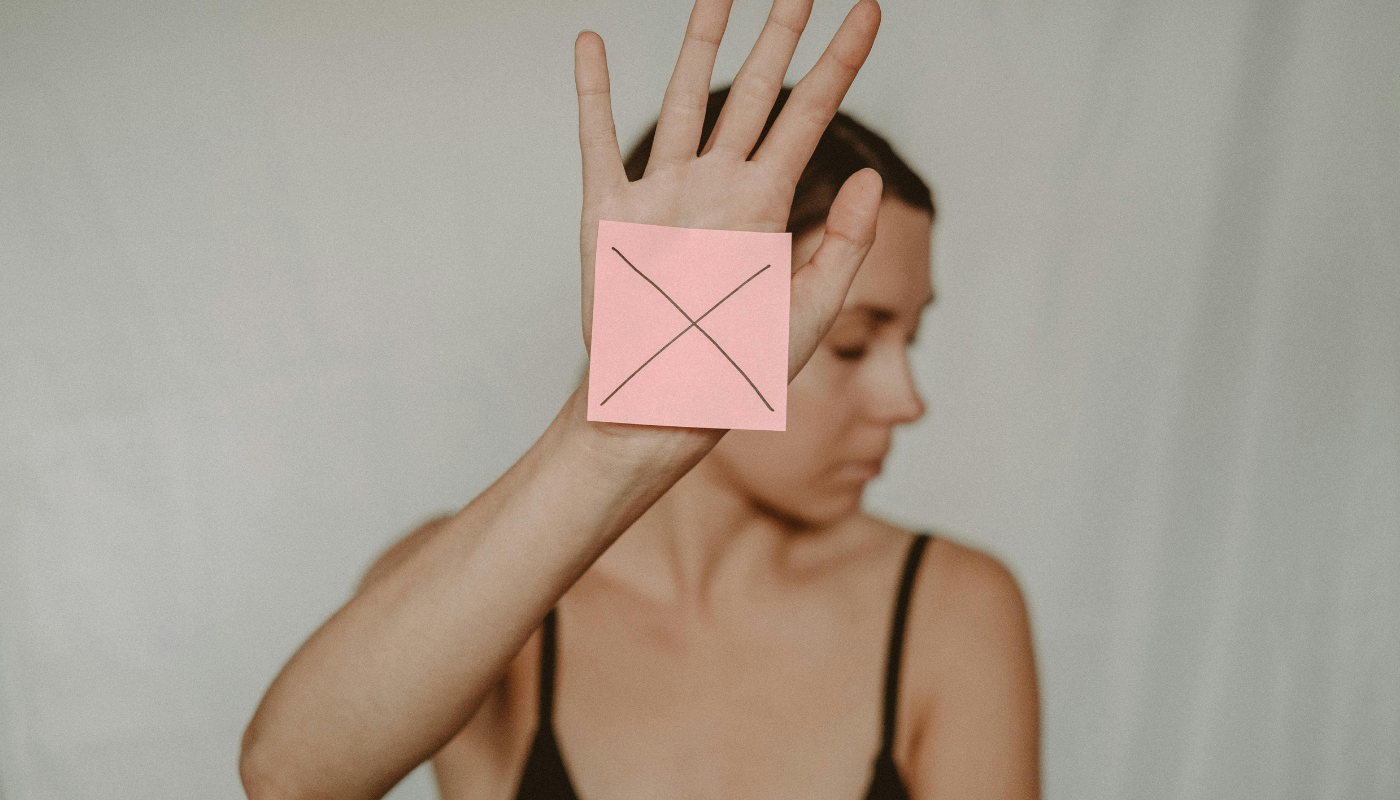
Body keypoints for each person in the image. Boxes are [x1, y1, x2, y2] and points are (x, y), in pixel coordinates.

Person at [240, 1, 1040, 798]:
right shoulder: (482, 593)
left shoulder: (950, 606)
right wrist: (611, 440)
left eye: (911, 339)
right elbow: (290, 778)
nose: (906, 401)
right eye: (854, 344)